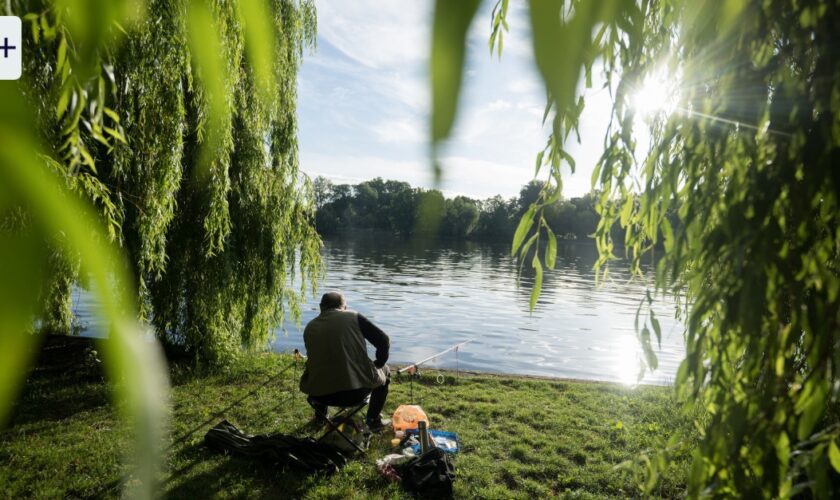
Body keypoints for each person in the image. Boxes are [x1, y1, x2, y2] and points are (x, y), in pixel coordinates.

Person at [299, 291, 392, 432]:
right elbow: (383, 340)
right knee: (385, 369)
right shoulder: (353, 316)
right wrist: (378, 363)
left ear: (321, 307)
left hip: (319, 396)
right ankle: (373, 421)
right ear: (343, 306)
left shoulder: (310, 327)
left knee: (319, 367)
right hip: (354, 395)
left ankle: (320, 418)